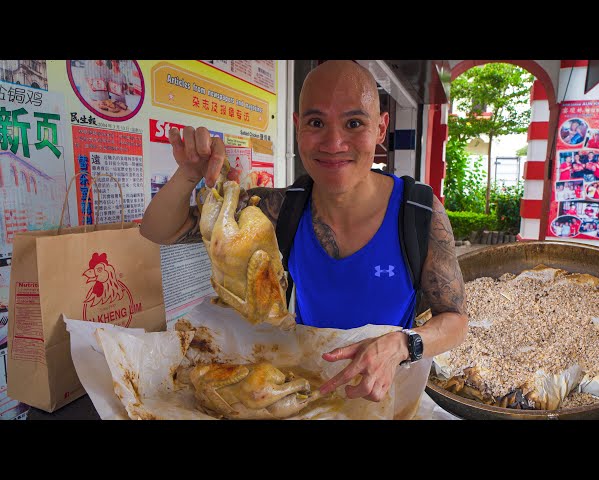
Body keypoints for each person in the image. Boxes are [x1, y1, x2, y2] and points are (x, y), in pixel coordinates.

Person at [140, 60, 469, 403]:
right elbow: (160, 230)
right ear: (298, 127)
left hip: (387, 394)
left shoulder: (417, 212)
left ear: (381, 128)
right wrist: (190, 174)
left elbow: (455, 320)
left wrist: (402, 344)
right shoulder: (282, 208)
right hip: (307, 390)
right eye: (316, 123)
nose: (333, 141)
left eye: (354, 123)